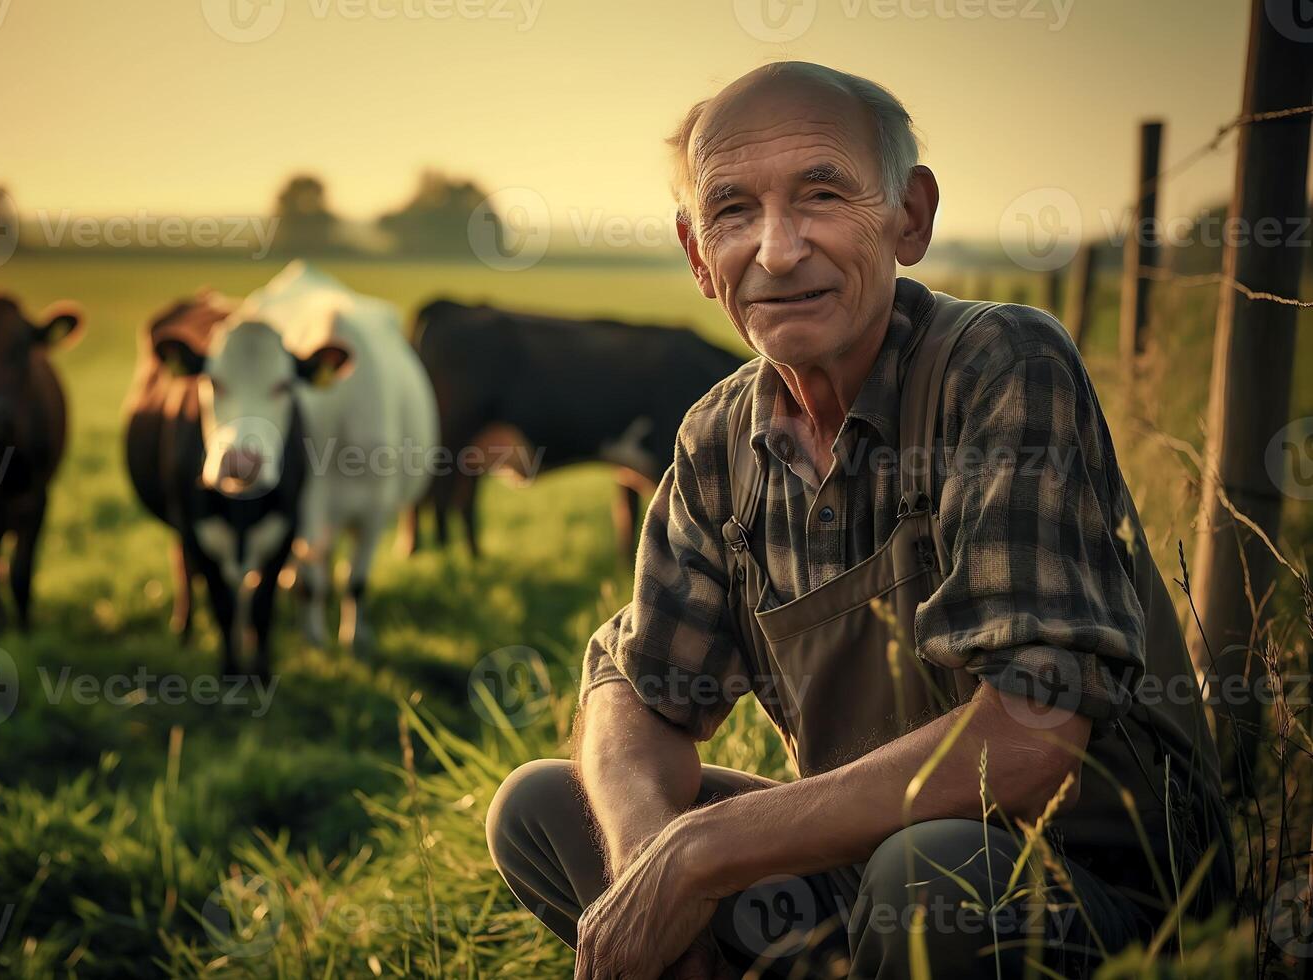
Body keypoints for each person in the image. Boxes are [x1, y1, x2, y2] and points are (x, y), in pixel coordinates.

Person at [487, 61, 1235, 979]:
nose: (776, 248)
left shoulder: (1000, 366)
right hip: (868, 873)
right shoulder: (720, 436)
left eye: (822, 194)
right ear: (695, 255)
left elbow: (1030, 736)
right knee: (542, 809)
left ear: (908, 218)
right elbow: (637, 691)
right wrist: (652, 864)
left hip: (1105, 890)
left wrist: (705, 852)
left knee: (925, 876)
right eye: (732, 212)